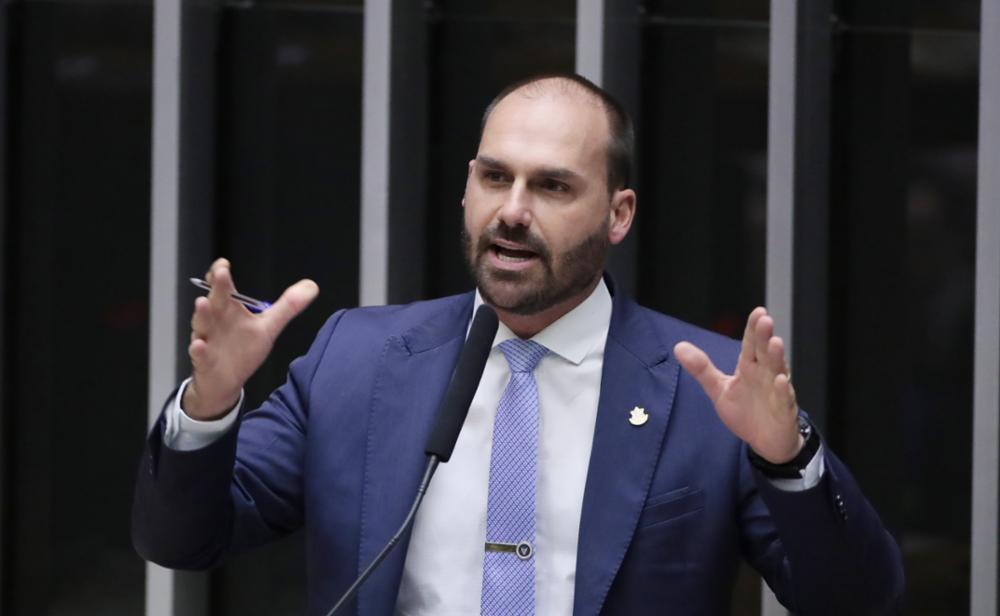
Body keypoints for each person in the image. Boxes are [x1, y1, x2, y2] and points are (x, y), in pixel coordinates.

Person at [132, 73, 904, 615]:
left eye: (554, 186)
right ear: (466, 187)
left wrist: (787, 461)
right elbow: (181, 539)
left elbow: (855, 599)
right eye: (495, 178)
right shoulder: (357, 361)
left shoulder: (706, 392)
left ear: (619, 213)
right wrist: (209, 404)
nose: (513, 211)